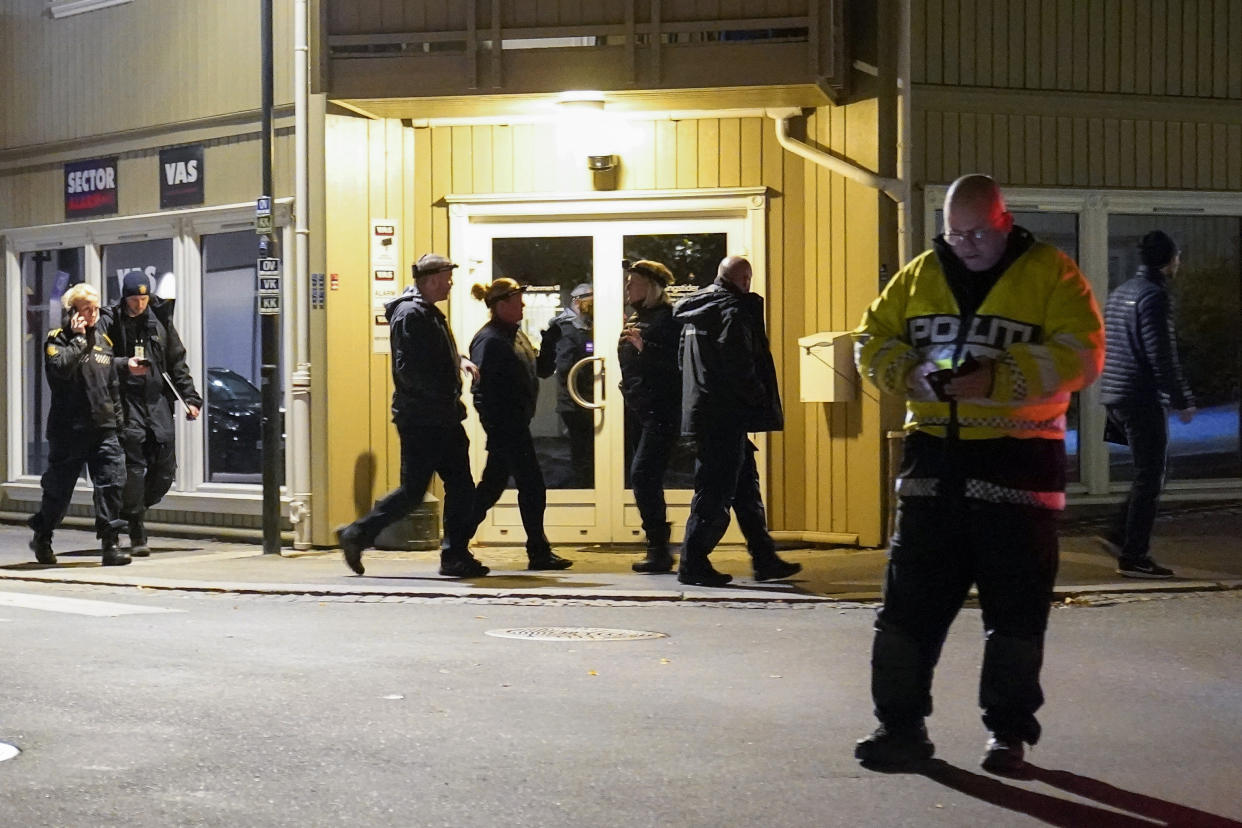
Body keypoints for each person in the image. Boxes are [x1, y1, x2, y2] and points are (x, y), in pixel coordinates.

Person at [852, 174, 1104, 774]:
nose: (964, 245)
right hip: (932, 468)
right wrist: (908, 373)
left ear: (1004, 221)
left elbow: (1085, 353)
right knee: (906, 612)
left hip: (1017, 470)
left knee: (1015, 615)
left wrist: (1001, 378)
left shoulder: (1053, 273)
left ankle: (1008, 736)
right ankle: (899, 728)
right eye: (953, 233)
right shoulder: (917, 275)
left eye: (976, 234)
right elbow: (872, 340)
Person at [336, 254, 488, 578]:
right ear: (432, 280)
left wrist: (458, 360)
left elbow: (431, 354)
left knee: (459, 487)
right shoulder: (411, 314)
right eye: (447, 278)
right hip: (424, 419)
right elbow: (409, 370)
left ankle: (455, 554)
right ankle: (358, 534)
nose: (450, 284)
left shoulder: (425, 312)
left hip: (439, 416)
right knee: (415, 492)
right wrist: (440, 395)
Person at [671, 256, 801, 587]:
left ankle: (764, 557)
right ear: (744, 279)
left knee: (745, 488)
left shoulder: (695, 310)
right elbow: (738, 360)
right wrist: (757, 398)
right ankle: (693, 561)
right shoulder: (732, 309)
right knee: (715, 491)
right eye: (749, 279)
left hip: (709, 411)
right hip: (725, 415)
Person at [1097, 231, 1196, 579]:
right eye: (1178, 256)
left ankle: (1119, 535)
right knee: (1151, 476)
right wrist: (1182, 399)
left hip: (1115, 396)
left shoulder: (1120, 293)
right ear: (1170, 260)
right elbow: (1161, 355)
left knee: (1144, 474)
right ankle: (1134, 555)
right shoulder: (1154, 296)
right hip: (1140, 398)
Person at [468, 277, 573, 571]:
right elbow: (481, 391)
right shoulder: (490, 340)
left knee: (493, 487)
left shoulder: (514, 335)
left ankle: (456, 542)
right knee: (532, 487)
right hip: (508, 427)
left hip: (514, 425)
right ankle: (537, 551)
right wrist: (497, 428)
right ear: (502, 305)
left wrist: (550, 343)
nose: (523, 304)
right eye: (517, 300)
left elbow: (541, 370)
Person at [100, 270, 202, 557]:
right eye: (134, 298)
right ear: (125, 297)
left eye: (143, 298)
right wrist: (124, 363)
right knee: (132, 470)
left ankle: (133, 511)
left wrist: (190, 398)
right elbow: (99, 360)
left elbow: (176, 362)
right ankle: (135, 527)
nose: (139, 304)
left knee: (164, 471)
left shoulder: (160, 319)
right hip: (126, 402)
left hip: (157, 403)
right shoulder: (111, 320)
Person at [28, 283, 131, 567]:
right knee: (58, 491)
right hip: (68, 432)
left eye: (96, 308)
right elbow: (60, 370)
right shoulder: (56, 340)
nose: (93, 314)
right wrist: (77, 338)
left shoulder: (104, 342)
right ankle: (43, 535)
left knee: (111, 484)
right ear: (72, 311)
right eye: (87, 309)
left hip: (103, 429)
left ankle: (110, 543)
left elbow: (111, 386)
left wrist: (118, 424)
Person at [618, 259, 682, 573]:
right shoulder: (638, 317)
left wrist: (647, 348)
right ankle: (657, 548)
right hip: (639, 409)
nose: (628, 287)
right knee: (644, 477)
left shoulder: (667, 320)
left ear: (651, 287)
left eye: (633, 282)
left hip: (661, 410)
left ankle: (659, 549)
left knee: (643, 475)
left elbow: (677, 366)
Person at [537, 281, 595, 488]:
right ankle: (584, 490)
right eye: (592, 302)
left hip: (586, 398)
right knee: (583, 449)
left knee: (588, 449)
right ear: (578, 302)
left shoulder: (587, 326)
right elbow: (564, 366)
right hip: (576, 400)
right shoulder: (566, 329)